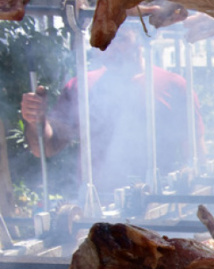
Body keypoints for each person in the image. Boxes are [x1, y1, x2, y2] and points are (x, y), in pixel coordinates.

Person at [21, 28, 204, 195]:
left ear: (141, 40)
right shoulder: (81, 88)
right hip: (96, 209)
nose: (109, 48)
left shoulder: (174, 87)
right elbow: (46, 147)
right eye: (103, 38)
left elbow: (195, 157)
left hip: (158, 205)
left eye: (121, 39)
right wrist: (37, 120)